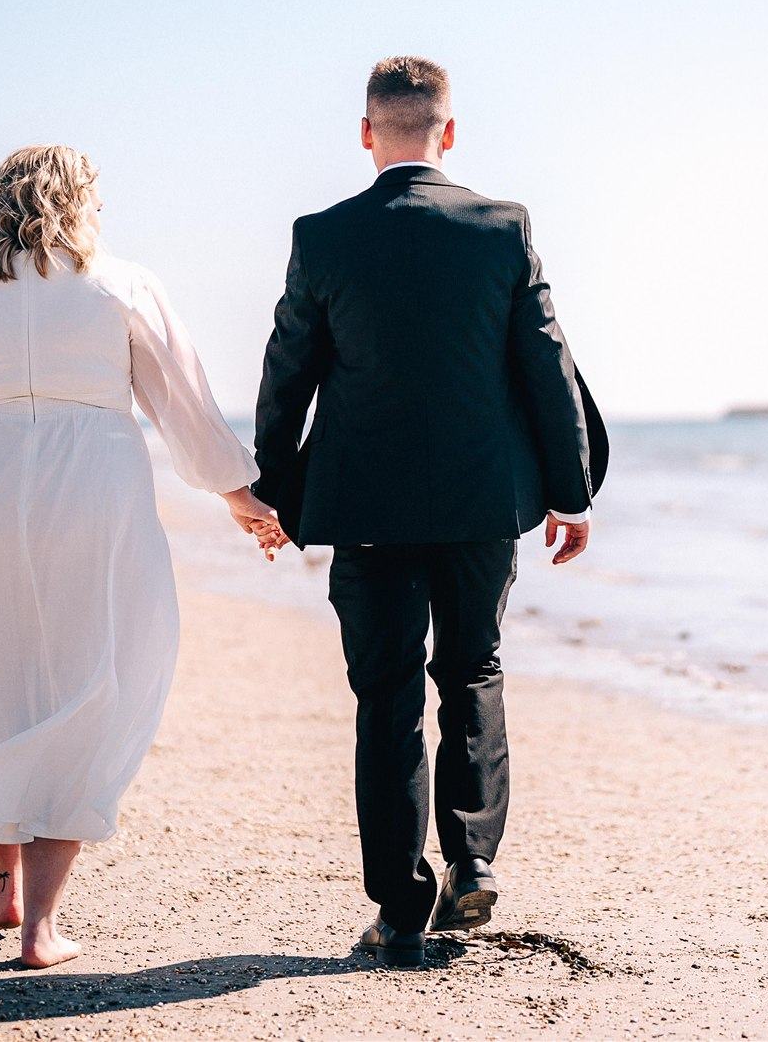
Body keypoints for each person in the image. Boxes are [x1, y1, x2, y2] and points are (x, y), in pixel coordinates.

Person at [0, 145, 284, 969]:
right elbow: (181, 402)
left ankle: (4, 888)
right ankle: (39, 925)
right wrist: (240, 496)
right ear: (82, 202)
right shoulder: (123, 285)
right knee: (90, 678)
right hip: (95, 490)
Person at [253, 56, 608, 969]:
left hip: (366, 508)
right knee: (473, 671)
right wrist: (571, 493)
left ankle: (401, 911)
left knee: (388, 701)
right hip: (481, 503)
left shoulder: (324, 236)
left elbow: (288, 372)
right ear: (448, 134)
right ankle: (473, 856)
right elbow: (546, 364)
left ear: (368, 134)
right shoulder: (502, 227)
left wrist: (272, 494)